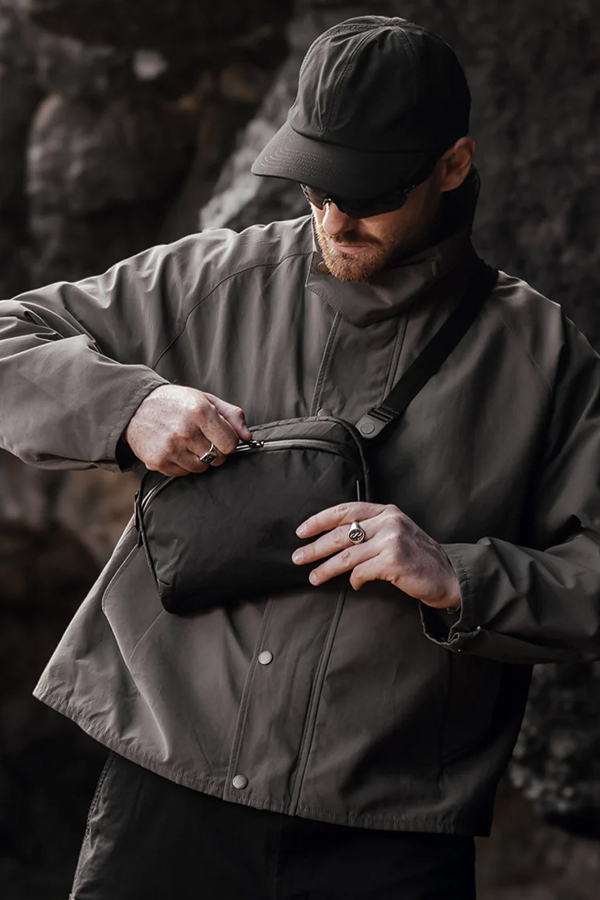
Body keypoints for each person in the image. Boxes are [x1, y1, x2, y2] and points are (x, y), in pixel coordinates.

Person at [1, 14, 600, 900]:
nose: (334, 217)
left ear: (454, 165)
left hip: (389, 841)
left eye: (368, 191)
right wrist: (128, 406)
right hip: (165, 804)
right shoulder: (215, 279)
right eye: (317, 185)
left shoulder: (543, 358)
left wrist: (458, 576)